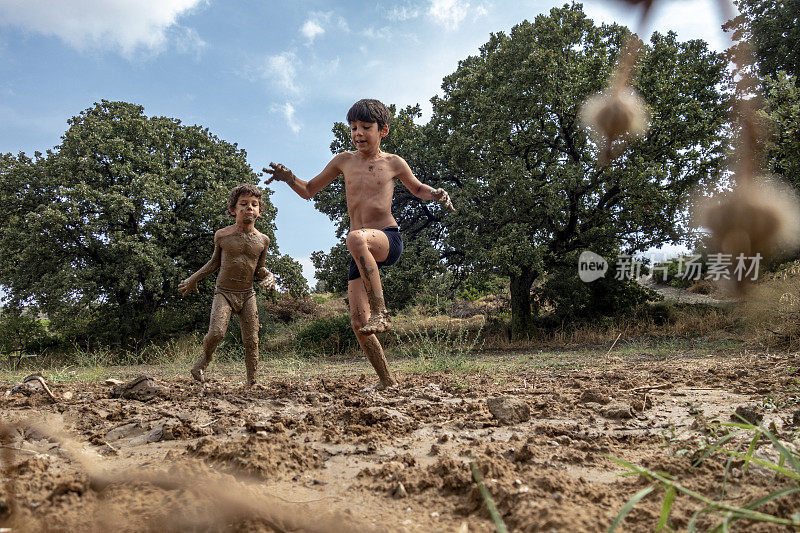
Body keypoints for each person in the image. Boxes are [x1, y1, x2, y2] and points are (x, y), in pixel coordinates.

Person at [263, 98, 454, 390]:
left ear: (383, 130)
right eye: (353, 128)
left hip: (387, 239)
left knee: (354, 237)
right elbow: (309, 190)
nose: (358, 133)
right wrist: (289, 178)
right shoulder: (343, 160)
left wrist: (437, 193)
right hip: (359, 250)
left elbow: (417, 188)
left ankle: (382, 311)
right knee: (358, 323)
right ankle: (386, 381)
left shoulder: (393, 163)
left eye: (366, 127)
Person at [178, 184, 275, 386]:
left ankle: (252, 381)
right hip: (224, 292)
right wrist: (193, 279)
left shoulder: (263, 240)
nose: (249, 207)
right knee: (216, 333)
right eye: (244, 204)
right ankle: (203, 361)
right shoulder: (222, 235)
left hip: (247, 294)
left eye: (254, 204)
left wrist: (270, 276)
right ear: (233, 209)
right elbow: (214, 263)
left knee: (252, 340)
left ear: (260, 211)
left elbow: (259, 269)